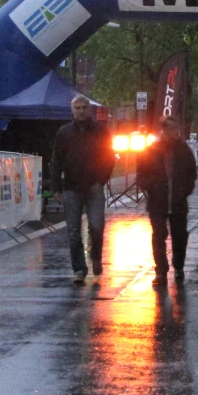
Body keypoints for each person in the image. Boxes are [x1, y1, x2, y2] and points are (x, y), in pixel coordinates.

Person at [51, 95, 114, 284]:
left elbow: (109, 156)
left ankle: (96, 256)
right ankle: (79, 269)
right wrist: (56, 187)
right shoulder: (64, 133)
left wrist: (101, 179)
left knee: (97, 225)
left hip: (94, 186)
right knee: (73, 231)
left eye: (84, 107)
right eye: (77, 108)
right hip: (72, 187)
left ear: (89, 109)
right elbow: (57, 161)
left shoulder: (101, 131)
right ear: (72, 110)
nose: (81, 111)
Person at [137, 116, 198, 286]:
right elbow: (141, 173)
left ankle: (178, 267)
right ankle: (161, 272)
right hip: (157, 202)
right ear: (164, 130)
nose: (175, 132)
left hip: (179, 202)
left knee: (180, 236)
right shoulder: (151, 149)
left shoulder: (183, 150)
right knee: (158, 236)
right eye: (172, 129)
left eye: (177, 129)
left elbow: (191, 172)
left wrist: (185, 190)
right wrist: (152, 188)